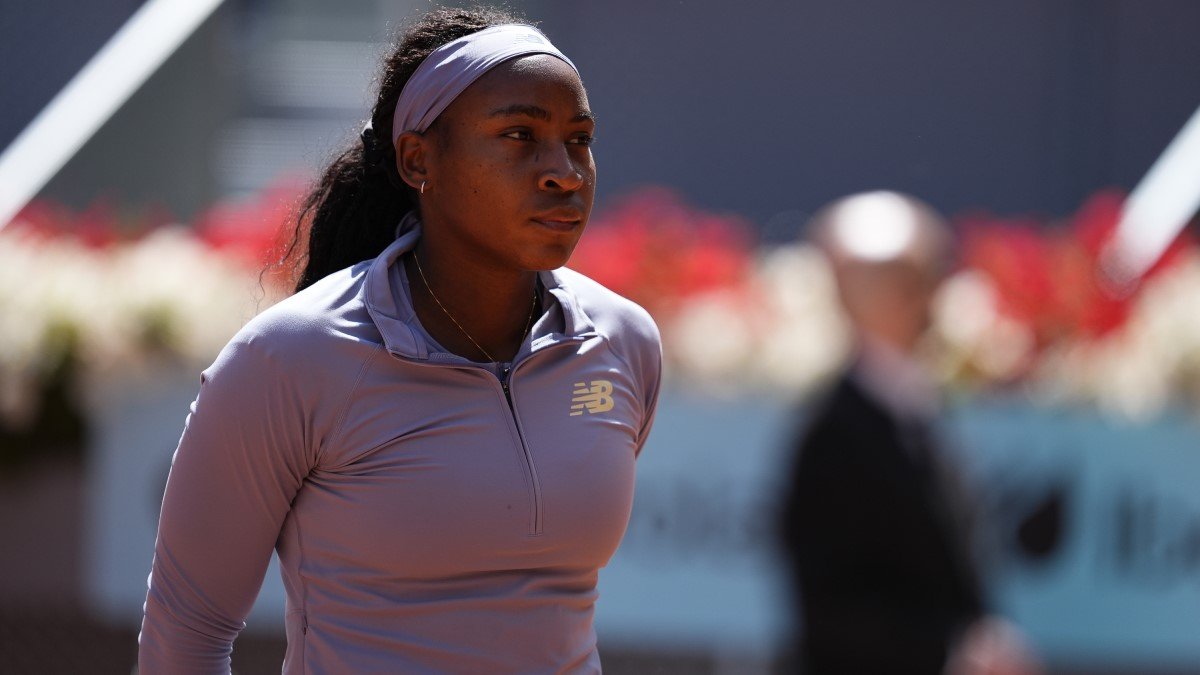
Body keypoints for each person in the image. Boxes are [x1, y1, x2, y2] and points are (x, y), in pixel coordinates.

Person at [138, 7, 662, 673]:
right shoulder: (289, 357)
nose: (565, 172)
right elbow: (185, 637)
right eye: (520, 134)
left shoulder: (625, 342)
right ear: (418, 160)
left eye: (579, 139)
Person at [778, 192, 1038, 675]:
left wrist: (975, 643)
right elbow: (830, 609)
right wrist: (952, 652)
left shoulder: (914, 405)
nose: (930, 299)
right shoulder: (833, 432)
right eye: (912, 282)